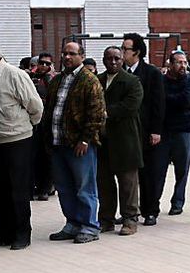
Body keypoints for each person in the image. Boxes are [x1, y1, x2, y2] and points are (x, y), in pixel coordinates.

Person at [0, 40, 43, 251]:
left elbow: (36, 107)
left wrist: (24, 127)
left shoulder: (15, 75)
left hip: (17, 141)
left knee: (18, 190)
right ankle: (2, 231)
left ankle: (22, 233)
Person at [43, 41, 106, 244]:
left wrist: (85, 140)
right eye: (64, 53)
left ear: (81, 55)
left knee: (84, 187)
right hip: (58, 143)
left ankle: (89, 226)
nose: (67, 57)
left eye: (72, 54)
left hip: (79, 145)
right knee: (64, 187)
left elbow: (97, 114)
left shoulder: (89, 81)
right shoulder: (57, 80)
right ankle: (72, 224)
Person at [98, 46, 144, 236]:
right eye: (109, 58)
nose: (114, 62)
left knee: (128, 183)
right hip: (102, 140)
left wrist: (106, 113)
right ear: (104, 60)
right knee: (104, 182)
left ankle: (130, 219)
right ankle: (106, 219)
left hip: (125, 140)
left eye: (117, 58)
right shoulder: (97, 80)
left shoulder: (132, 81)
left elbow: (130, 106)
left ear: (122, 60)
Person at [122, 34, 165, 227]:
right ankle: (129, 210)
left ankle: (150, 210)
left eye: (125, 49)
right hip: (125, 132)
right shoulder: (119, 73)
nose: (122, 53)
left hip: (146, 130)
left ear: (137, 52)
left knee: (149, 172)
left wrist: (156, 130)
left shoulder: (151, 73)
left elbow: (158, 104)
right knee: (128, 174)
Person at [155, 51, 190, 216]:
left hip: (183, 130)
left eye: (184, 62)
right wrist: (172, 100)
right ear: (170, 64)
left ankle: (177, 202)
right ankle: (153, 203)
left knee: (182, 170)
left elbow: (186, 101)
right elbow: (159, 101)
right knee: (158, 171)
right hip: (164, 131)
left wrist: (169, 99)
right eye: (179, 62)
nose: (183, 66)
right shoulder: (162, 81)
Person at [31, 52, 56, 201]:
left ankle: (46, 188)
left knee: (47, 158)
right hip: (34, 124)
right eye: (42, 63)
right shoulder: (30, 78)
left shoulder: (53, 80)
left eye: (47, 63)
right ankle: (37, 185)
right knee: (35, 157)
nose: (44, 66)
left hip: (48, 124)